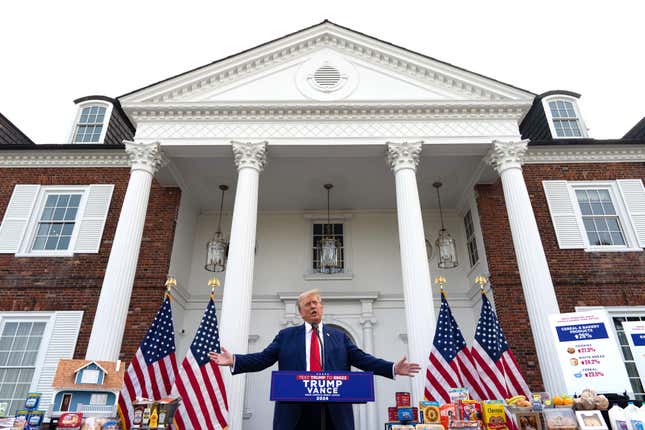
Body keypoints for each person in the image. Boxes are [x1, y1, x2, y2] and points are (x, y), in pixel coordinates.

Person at [209, 288, 421, 430]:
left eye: (316, 303)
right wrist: (235, 360)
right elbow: (263, 358)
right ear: (301, 312)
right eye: (308, 304)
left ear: (322, 308)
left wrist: (392, 368)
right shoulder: (286, 337)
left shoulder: (338, 337)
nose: (313, 307)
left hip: (334, 410)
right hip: (296, 411)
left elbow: (363, 359)